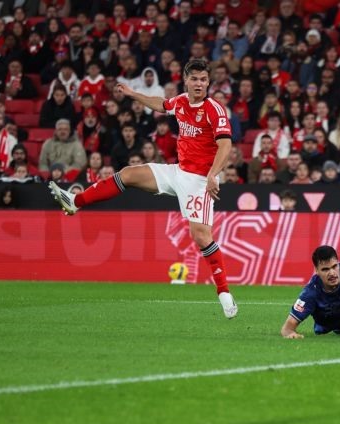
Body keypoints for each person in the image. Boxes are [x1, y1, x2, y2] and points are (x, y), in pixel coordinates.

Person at [48, 59, 238, 319]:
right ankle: (75, 201)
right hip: (177, 172)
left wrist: (214, 175)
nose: (199, 84)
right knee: (128, 174)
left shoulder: (214, 110)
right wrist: (133, 94)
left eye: (204, 79)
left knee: (201, 237)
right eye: (194, 79)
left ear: (208, 82)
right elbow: (161, 104)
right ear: (185, 80)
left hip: (199, 180)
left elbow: (225, 145)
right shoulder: (181, 101)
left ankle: (225, 295)